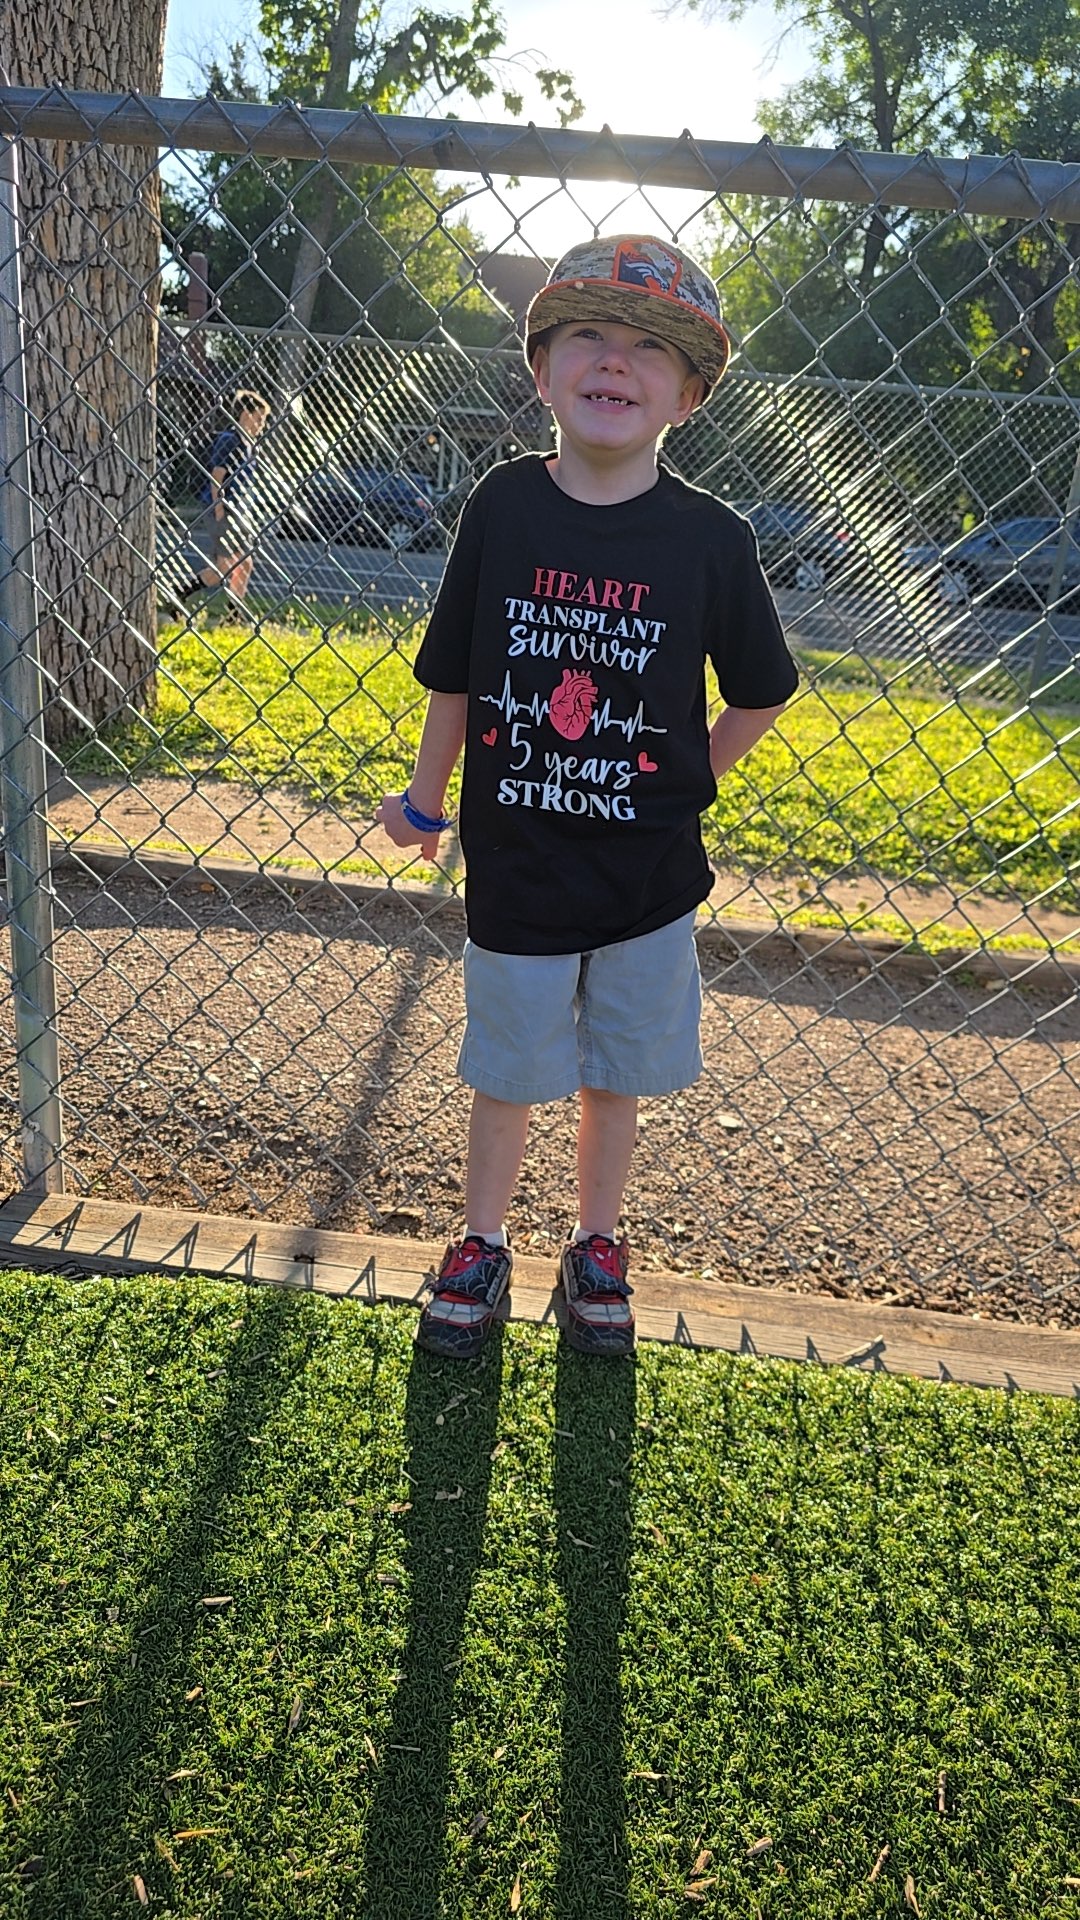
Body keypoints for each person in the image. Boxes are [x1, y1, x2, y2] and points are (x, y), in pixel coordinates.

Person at [376, 234, 799, 1361]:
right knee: (508, 1071)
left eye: (650, 349)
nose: (616, 363)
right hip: (515, 867)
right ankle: (481, 1242)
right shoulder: (504, 508)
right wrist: (425, 801)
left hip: (647, 879)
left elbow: (763, 689)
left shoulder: (713, 540)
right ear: (542, 368)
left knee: (616, 1074)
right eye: (590, 338)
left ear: (690, 394)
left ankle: (597, 1245)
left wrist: (688, 777)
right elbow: (457, 671)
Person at [176, 389, 270, 605]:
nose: (261, 425)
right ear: (246, 415)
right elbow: (216, 477)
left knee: (243, 564)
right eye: (259, 418)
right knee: (225, 566)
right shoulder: (230, 441)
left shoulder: (248, 445)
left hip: (235, 511)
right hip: (221, 509)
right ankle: (181, 593)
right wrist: (219, 511)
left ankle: (233, 611)